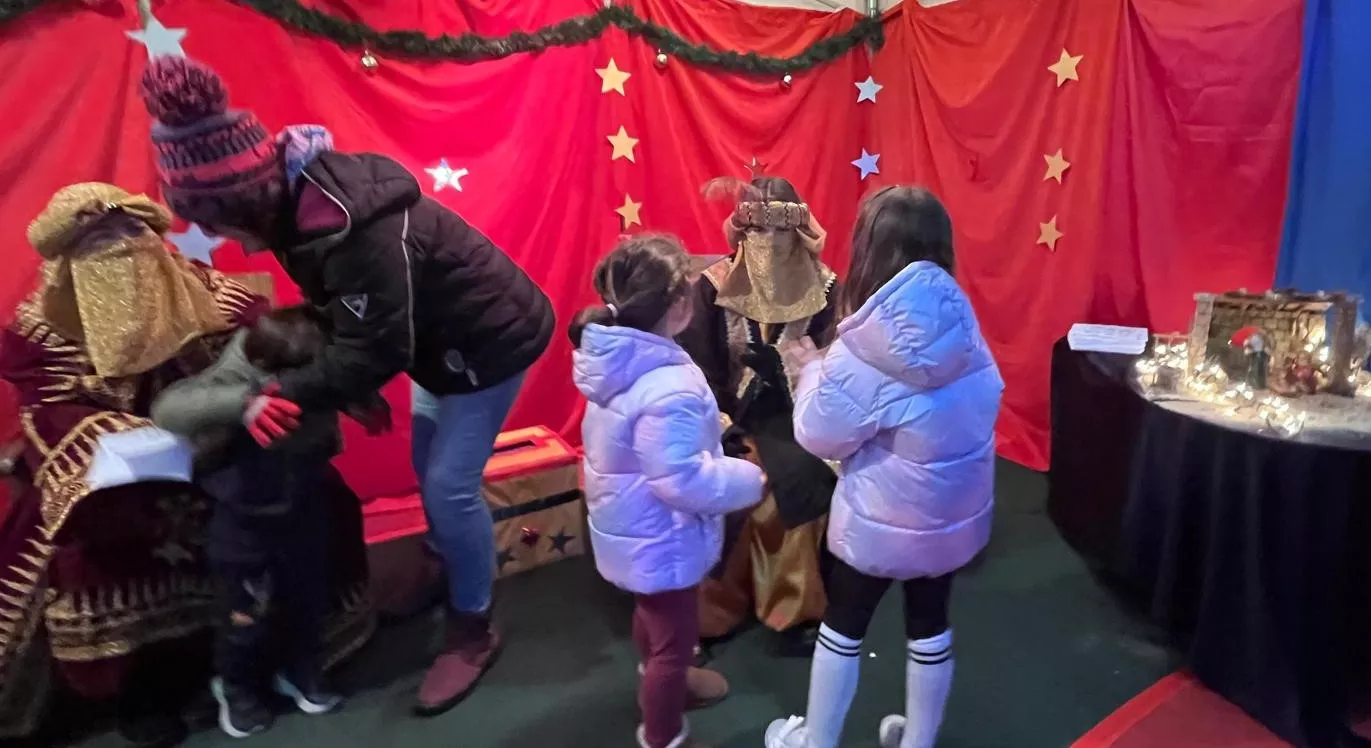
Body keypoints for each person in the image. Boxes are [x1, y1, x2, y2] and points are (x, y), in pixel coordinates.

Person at [139, 56, 556, 714]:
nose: (218, 239)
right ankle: (447, 566)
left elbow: (375, 345)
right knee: (429, 470)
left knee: (449, 485)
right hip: (435, 347)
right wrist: (342, 384)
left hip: (487, 344)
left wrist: (288, 393)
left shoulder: (346, 227)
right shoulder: (289, 206)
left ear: (243, 198)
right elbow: (352, 317)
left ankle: (472, 627)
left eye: (215, 222)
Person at [0, 184, 374, 745]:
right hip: (113, 468)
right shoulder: (43, 329)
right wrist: (129, 440)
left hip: (226, 448)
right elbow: (50, 408)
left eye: (133, 238)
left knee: (314, 498)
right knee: (102, 538)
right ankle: (143, 689)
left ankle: (275, 657)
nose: (123, 256)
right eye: (103, 246)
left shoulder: (212, 296)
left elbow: (267, 357)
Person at [762, 187, 1003, 748]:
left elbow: (818, 431)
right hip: (952, 511)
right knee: (930, 627)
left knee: (843, 627)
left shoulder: (866, 343)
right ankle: (918, 741)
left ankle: (816, 742)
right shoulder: (963, 324)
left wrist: (811, 370)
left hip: (881, 516)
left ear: (869, 250)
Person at [151, 305, 387, 737]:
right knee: (244, 616)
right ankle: (236, 688)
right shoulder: (245, 365)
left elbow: (349, 379)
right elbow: (169, 408)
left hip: (305, 504)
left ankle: (301, 674)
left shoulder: (321, 359)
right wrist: (243, 404)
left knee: (308, 601)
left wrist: (363, 402)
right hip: (246, 518)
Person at [571, 235, 765, 748]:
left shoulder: (620, 359)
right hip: (661, 535)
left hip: (633, 527)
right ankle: (663, 731)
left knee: (653, 617)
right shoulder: (667, 386)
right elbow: (682, 481)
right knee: (675, 644)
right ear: (679, 306)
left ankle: (660, 677)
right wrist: (747, 478)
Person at [676, 175, 839, 654]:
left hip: (798, 417)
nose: (768, 242)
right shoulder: (710, 288)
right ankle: (715, 608)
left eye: (780, 231)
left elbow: (835, 369)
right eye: (758, 231)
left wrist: (792, 376)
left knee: (801, 478)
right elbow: (695, 369)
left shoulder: (827, 289)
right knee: (737, 481)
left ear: (799, 231)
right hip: (729, 417)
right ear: (741, 231)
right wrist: (723, 425)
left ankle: (796, 607)